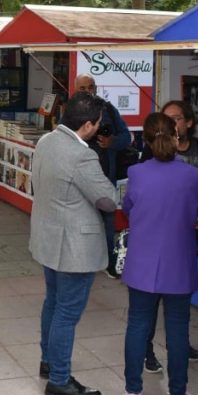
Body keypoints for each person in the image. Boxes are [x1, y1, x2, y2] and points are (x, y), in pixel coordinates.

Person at [30, 92, 118, 395]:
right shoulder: (82, 155)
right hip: (74, 247)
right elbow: (107, 199)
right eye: (98, 124)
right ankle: (59, 379)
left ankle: (49, 360)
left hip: (48, 237)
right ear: (89, 125)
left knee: (52, 303)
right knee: (67, 313)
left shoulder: (47, 141)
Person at [120, 112, 198, 395]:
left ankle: (132, 394)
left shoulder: (137, 173)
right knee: (178, 330)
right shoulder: (194, 176)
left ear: (145, 138)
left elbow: (128, 207)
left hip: (142, 264)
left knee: (137, 326)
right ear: (177, 137)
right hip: (179, 264)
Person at [138, 99, 198, 371]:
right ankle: (147, 349)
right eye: (167, 118)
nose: (172, 123)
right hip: (157, 237)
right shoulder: (150, 157)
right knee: (151, 298)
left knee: (178, 300)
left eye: (177, 118)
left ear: (189, 122)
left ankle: (178, 345)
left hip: (188, 235)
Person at [74, 74, 131, 280]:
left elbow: (126, 137)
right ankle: (80, 262)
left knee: (107, 222)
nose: (87, 91)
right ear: (75, 89)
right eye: (82, 88)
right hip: (78, 179)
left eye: (91, 87)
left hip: (105, 177)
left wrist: (111, 141)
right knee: (79, 221)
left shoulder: (108, 109)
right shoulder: (70, 112)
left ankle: (108, 263)